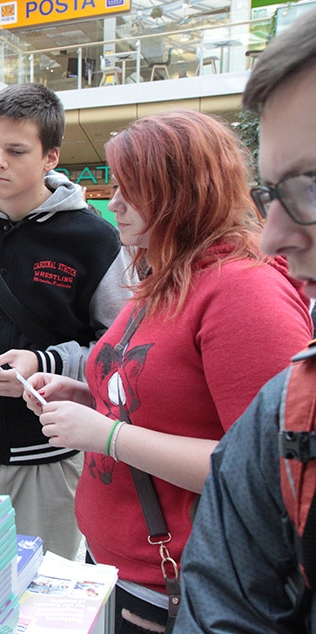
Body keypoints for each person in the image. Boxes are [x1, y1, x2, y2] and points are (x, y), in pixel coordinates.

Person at [19, 110, 312, 632]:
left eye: (133, 190)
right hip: (123, 571)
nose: (115, 204)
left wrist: (107, 434)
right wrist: (89, 395)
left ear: (183, 194)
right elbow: (167, 400)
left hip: (176, 589)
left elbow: (268, 471)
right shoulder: (167, 272)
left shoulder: (244, 292)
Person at [0, 82, 132, 560]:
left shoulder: (94, 240)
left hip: (51, 460)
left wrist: (46, 363)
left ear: (50, 157)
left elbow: (119, 347)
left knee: (42, 588)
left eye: (16, 151)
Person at [176, 12, 316, 632]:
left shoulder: (244, 290)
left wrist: (108, 435)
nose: (276, 236)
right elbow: (226, 603)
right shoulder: (289, 407)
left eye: (311, 187)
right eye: (272, 193)